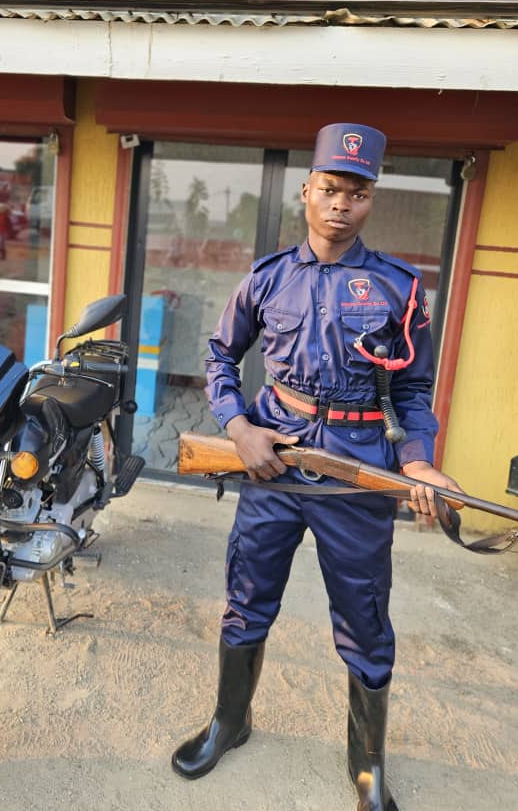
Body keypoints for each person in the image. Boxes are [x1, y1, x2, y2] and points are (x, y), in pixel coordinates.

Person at [171, 123, 463, 810]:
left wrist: (419, 463)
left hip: (357, 471)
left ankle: (367, 764)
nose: (341, 204)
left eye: (357, 193)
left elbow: (414, 389)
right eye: (330, 188)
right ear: (307, 190)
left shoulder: (398, 287)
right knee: (247, 599)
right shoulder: (267, 278)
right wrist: (239, 428)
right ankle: (230, 722)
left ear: (371, 200)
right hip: (274, 463)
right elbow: (220, 355)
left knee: (365, 617)